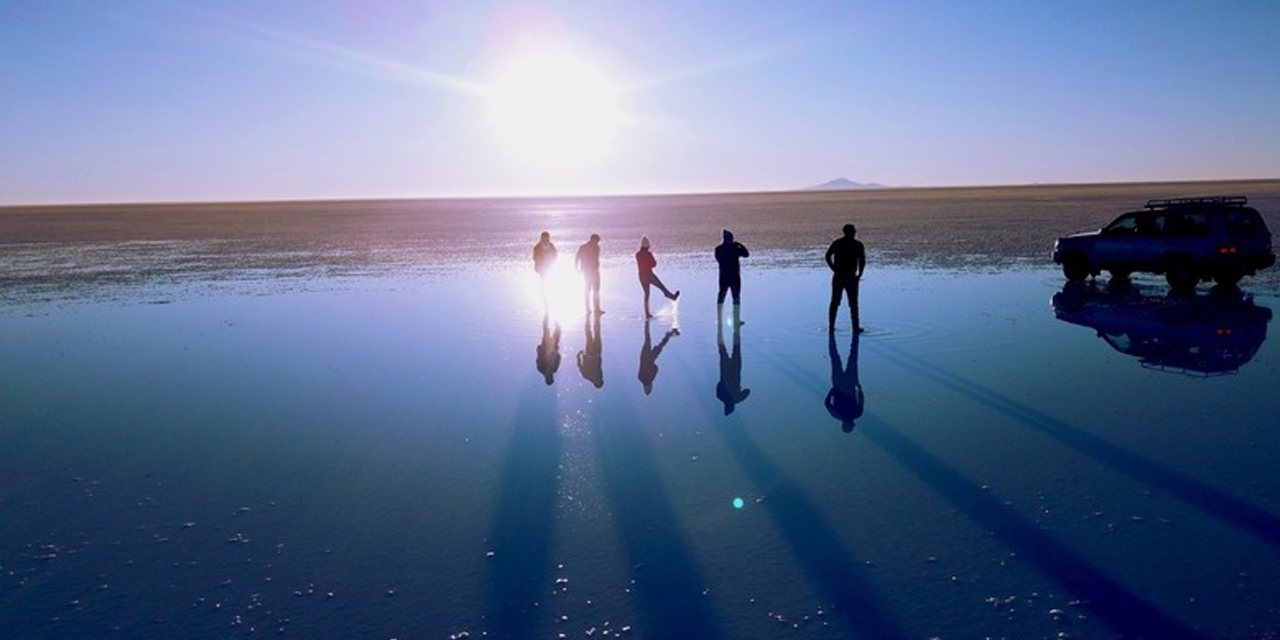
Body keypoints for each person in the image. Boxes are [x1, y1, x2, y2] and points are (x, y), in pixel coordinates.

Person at [825, 223, 866, 332]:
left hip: (844, 276)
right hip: (846, 277)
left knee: (844, 302)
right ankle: (849, 327)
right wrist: (859, 274)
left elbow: (828, 256)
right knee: (845, 302)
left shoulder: (841, 243)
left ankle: (836, 326)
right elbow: (827, 256)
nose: (854, 233)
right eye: (853, 231)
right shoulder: (856, 245)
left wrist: (859, 274)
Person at [825, 332, 864, 433]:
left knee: (847, 359)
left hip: (843, 385)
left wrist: (832, 391)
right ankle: (852, 338)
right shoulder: (855, 414)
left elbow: (827, 404)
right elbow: (827, 404)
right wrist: (832, 391)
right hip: (845, 385)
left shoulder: (842, 414)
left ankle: (834, 337)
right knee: (839, 359)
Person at [715, 308, 750, 415]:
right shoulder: (720, 396)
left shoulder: (736, 398)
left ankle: (735, 328)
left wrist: (738, 391)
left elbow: (748, 391)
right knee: (723, 350)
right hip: (725, 372)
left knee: (736, 349)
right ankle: (720, 328)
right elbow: (718, 385)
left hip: (735, 371)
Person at [635, 235, 679, 318]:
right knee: (661, 286)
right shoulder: (649, 254)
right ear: (648, 245)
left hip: (641, 276)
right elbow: (654, 264)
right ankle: (671, 296)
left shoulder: (637, 254)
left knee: (646, 294)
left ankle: (647, 313)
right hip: (649, 274)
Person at [637, 318, 679, 395]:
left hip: (650, 359)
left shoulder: (650, 379)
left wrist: (652, 365)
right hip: (644, 357)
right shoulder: (639, 378)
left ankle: (669, 334)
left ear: (650, 387)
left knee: (660, 346)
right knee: (647, 338)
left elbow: (656, 368)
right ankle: (647, 324)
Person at [714, 229, 749, 312]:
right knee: (736, 297)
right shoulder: (735, 248)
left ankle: (719, 317)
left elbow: (719, 260)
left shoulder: (718, 249)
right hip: (734, 276)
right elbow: (746, 254)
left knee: (721, 296)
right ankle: (736, 317)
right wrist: (740, 244)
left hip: (724, 276)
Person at [575, 233, 604, 315]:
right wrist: (577, 268)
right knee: (588, 290)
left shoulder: (597, 247)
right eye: (597, 241)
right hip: (587, 271)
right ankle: (588, 309)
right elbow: (577, 257)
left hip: (595, 270)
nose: (597, 243)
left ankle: (597, 309)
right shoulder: (583, 248)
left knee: (596, 290)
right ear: (592, 240)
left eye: (598, 242)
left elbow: (595, 259)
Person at [577, 312, 604, 388]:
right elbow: (599, 365)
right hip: (597, 353)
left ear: (596, 382)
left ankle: (588, 319)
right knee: (596, 333)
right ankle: (596, 318)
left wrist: (578, 356)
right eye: (601, 379)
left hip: (590, 353)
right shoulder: (599, 376)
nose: (601, 378)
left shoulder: (586, 375)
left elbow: (580, 366)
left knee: (589, 335)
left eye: (600, 380)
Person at [536, 313, 561, 386]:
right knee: (558, 330)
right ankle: (556, 315)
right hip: (553, 347)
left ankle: (547, 312)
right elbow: (559, 357)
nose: (550, 374)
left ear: (546, 377)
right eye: (551, 376)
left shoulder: (541, 368)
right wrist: (555, 352)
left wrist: (539, 350)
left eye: (548, 376)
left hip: (545, 346)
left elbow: (539, 357)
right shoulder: (554, 369)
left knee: (546, 329)